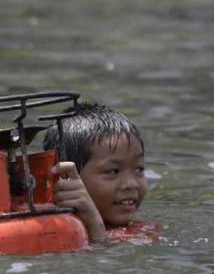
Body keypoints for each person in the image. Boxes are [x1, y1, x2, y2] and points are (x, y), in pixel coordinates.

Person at [43, 102, 154, 242]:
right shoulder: (52, 232)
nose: (132, 184)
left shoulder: (144, 232)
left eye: (139, 169)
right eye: (113, 171)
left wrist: (95, 226)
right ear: (66, 177)